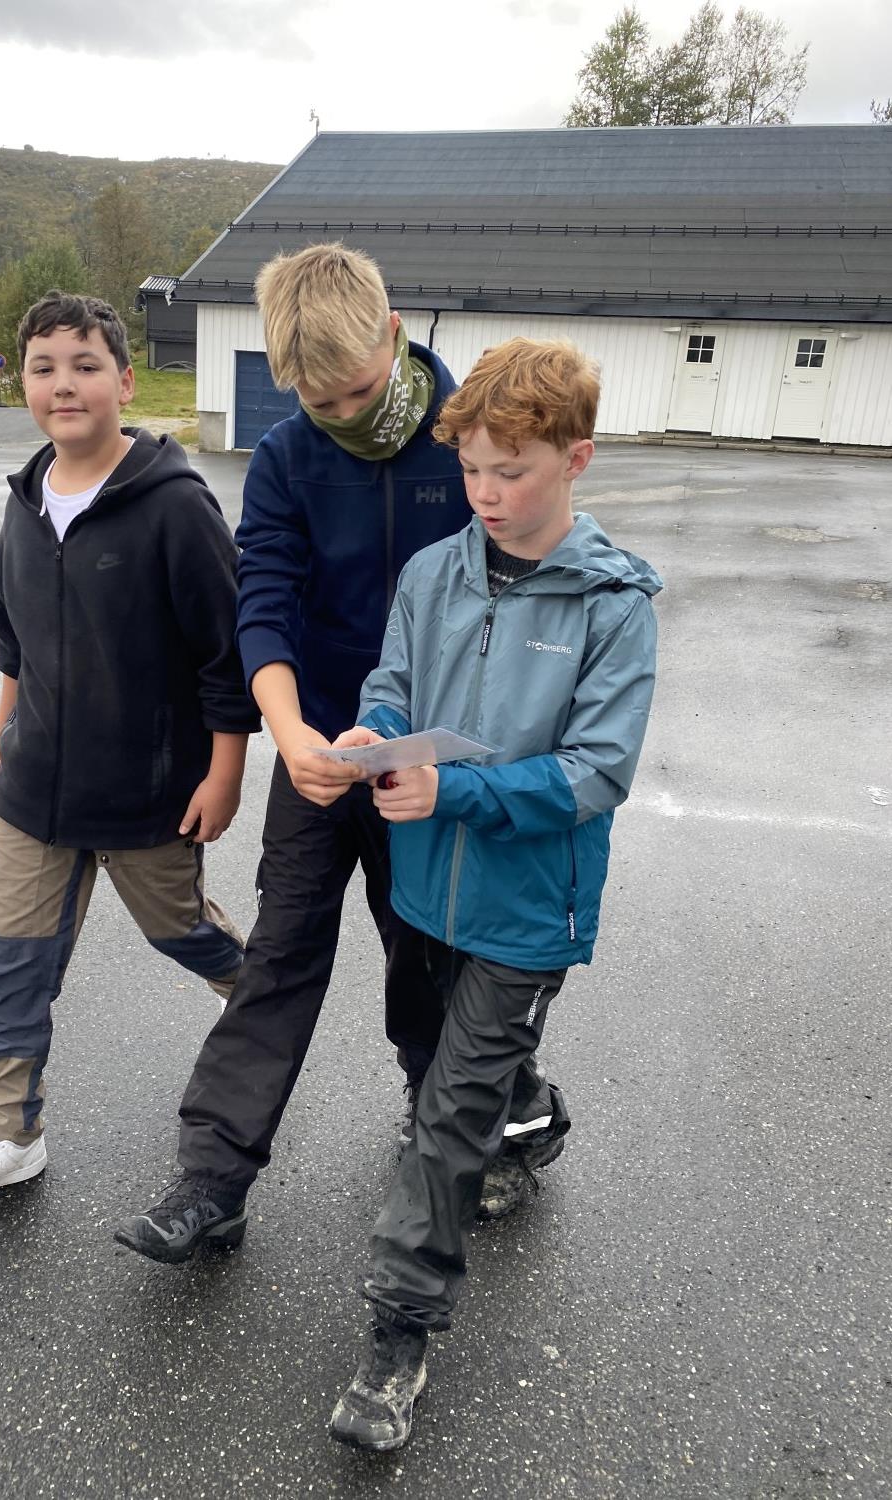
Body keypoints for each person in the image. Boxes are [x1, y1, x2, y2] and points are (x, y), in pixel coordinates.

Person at [326, 336, 662, 1450]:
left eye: (510, 470)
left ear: (577, 459)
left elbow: (596, 772)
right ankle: (535, 1116)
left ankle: (397, 1337)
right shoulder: (433, 573)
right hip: (424, 891)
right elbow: (393, 682)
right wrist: (374, 731)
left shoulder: (615, 603)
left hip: (527, 911)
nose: (485, 492)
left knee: (443, 1115)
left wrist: (456, 790)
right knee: (454, 1057)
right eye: (471, 468)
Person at [114, 244, 475, 1264]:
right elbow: (263, 600)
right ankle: (212, 1180)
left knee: (429, 953)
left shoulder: (469, 438)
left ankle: (461, 1122)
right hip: (317, 750)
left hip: (429, 763)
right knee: (279, 956)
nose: (345, 417)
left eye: (359, 391)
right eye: (319, 402)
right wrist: (290, 733)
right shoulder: (284, 457)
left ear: (393, 335)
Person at [0, 291, 258, 1218]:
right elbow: (13, 634)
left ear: (125, 382)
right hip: (35, 788)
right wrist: (5, 730)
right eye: (44, 368)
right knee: (12, 959)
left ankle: (264, 1005)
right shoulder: (25, 500)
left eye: (85, 366)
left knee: (182, 933)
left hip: (148, 793)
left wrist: (223, 772)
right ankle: (9, 1133)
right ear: (22, 384)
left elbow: (226, 654)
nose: (64, 385)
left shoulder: (175, 506)